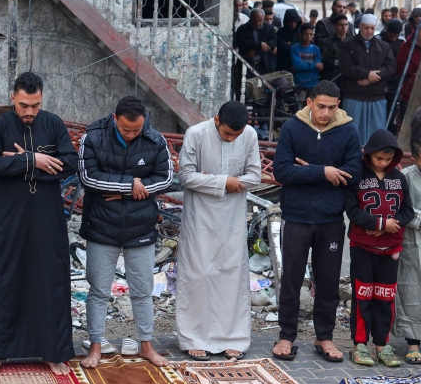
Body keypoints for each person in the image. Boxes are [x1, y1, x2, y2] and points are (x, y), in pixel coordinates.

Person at [0, 72, 78, 377]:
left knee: (49, 280)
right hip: (9, 217)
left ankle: (53, 352)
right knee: (3, 276)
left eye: (35, 105)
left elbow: (69, 163)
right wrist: (32, 161)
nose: (29, 111)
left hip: (47, 217)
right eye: (23, 105)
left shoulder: (53, 124)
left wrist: (19, 162)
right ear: (13, 98)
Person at [79, 95, 173, 369]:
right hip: (101, 224)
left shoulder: (155, 140)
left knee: (143, 290)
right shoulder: (93, 137)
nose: (131, 135)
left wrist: (124, 193)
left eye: (136, 130)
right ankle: (95, 346)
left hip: (140, 225)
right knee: (99, 290)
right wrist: (130, 184)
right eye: (125, 129)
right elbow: (88, 177)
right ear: (114, 119)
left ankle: (146, 345)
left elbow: (165, 179)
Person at [272, 81, 361, 362]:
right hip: (295, 216)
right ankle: (286, 336)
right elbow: (281, 172)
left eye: (332, 107)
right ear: (309, 102)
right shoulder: (292, 128)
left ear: (338, 106)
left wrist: (306, 171)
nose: (326, 113)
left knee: (328, 282)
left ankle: (324, 337)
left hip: (331, 218)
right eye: (321, 106)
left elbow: (354, 174)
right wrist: (323, 172)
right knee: (291, 279)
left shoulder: (348, 130)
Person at [176, 101, 261, 360]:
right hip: (199, 216)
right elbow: (186, 176)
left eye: (236, 135)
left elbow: (254, 175)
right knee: (198, 274)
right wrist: (223, 182)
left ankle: (233, 338)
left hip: (233, 216)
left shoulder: (250, 135)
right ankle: (194, 337)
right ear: (216, 120)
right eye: (227, 133)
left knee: (231, 274)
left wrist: (219, 180)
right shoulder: (196, 134)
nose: (232, 139)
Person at [344, 129, 412, 367]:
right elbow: (352, 211)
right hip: (362, 246)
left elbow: (407, 211)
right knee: (362, 295)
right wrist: (379, 224)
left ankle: (382, 344)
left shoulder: (399, 178)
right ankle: (359, 344)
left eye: (388, 159)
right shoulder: (357, 176)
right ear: (369, 154)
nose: (383, 163)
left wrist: (389, 226)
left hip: (391, 249)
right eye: (378, 158)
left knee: (385, 297)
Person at [339, 13, 396, 143]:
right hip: (354, 95)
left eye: (372, 28)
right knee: (352, 136)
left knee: (376, 138)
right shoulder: (348, 45)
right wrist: (366, 74)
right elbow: (346, 67)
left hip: (377, 96)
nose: (369, 31)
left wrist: (372, 77)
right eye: (366, 28)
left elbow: (391, 67)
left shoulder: (384, 46)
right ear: (360, 26)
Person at [394, 139, 421, 365]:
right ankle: (413, 343)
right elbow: (400, 208)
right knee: (410, 291)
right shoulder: (406, 177)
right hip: (412, 240)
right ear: (414, 158)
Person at [234, 9, 277, 75]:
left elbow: (272, 45)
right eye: (255, 21)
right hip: (247, 64)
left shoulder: (269, 29)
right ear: (251, 19)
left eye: (260, 21)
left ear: (263, 18)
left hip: (264, 65)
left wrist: (256, 51)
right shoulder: (242, 29)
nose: (257, 24)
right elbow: (243, 43)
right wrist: (260, 45)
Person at [290, 23, 322, 100]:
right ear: (300, 35)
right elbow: (298, 65)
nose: (308, 37)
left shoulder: (316, 49)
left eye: (311, 34)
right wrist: (314, 65)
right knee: (300, 106)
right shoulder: (294, 48)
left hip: (314, 84)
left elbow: (319, 67)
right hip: (300, 84)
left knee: (313, 106)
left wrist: (305, 66)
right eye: (306, 34)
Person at [318, 14, 349, 83]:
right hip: (332, 78)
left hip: (348, 79)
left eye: (346, 24)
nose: (344, 27)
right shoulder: (326, 43)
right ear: (335, 26)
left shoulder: (352, 42)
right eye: (340, 25)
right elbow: (323, 62)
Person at [383, 18, 405, 119]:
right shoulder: (378, 40)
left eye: (396, 36)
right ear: (387, 30)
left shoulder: (402, 41)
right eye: (391, 36)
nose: (393, 39)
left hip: (396, 79)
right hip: (382, 78)